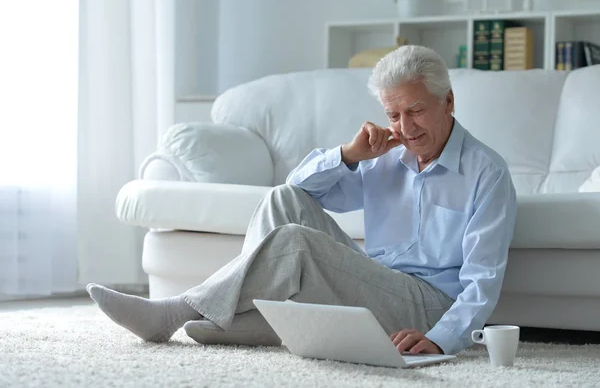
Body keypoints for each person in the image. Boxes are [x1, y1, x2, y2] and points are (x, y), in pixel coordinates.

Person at [87, 45, 517, 355]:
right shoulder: (386, 156)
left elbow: (483, 281)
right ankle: (259, 323)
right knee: (281, 199)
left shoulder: (487, 172)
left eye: (416, 111)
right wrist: (348, 156)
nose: (405, 127)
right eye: (393, 114)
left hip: (426, 305)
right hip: (375, 281)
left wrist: (441, 338)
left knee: (294, 242)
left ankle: (174, 313)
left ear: (449, 102)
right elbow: (298, 191)